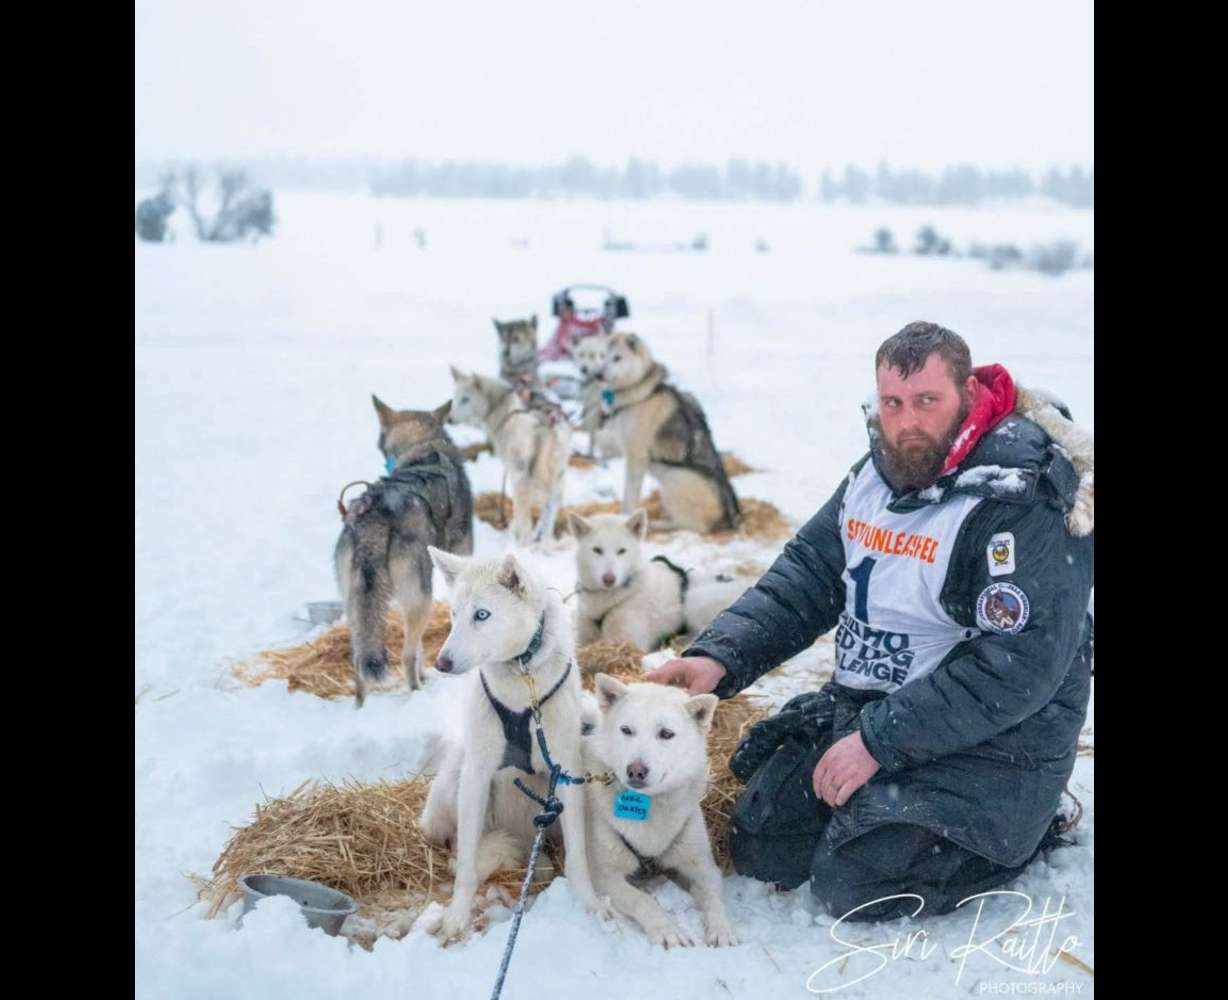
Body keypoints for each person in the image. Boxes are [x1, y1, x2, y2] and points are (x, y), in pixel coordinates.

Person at [646, 321, 1094, 921]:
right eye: (893, 403)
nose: (907, 421)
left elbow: (1018, 667)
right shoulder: (881, 469)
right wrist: (720, 656)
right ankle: (880, 803)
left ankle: (1024, 832)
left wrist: (879, 742)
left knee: (859, 884)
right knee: (764, 845)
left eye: (927, 402)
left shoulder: (1018, 499)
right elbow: (808, 575)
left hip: (998, 740)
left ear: (966, 394)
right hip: (879, 711)